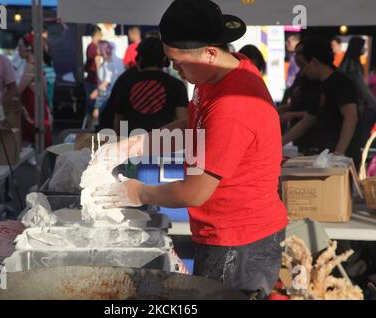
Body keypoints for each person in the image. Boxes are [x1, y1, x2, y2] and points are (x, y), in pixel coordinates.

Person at [91, 0, 288, 296]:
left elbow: (194, 192)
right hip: (226, 232)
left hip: (240, 242)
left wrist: (137, 192)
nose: (174, 69)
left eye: (179, 62)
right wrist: (136, 144)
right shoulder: (217, 73)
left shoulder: (233, 105)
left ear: (210, 53)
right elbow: (194, 126)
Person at [282, 36, 361, 166]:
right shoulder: (321, 86)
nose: (303, 72)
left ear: (313, 61)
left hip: (344, 158)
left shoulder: (340, 82)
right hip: (327, 156)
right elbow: (308, 119)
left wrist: (338, 154)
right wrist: (279, 142)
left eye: (304, 66)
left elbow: (351, 116)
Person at [112, 37, 188, 134]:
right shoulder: (176, 85)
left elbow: (118, 122)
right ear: (164, 59)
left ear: (139, 59)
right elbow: (182, 122)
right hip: (165, 144)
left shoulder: (126, 83)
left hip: (132, 145)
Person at [16, 33, 52, 147]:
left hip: (34, 109)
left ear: (28, 48)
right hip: (35, 108)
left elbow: (19, 90)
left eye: (20, 47)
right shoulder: (35, 64)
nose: (18, 50)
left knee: (37, 143)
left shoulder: (32, 66)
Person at [84, 25, 102, 126]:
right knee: (93, 107)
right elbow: (96, 63)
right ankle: (89, 128)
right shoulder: (93, 47)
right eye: (100, 34)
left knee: (93, 106)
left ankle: (90, 127)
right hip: (93, 80)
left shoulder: (93, 47)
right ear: (96, 35)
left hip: (93, 79)